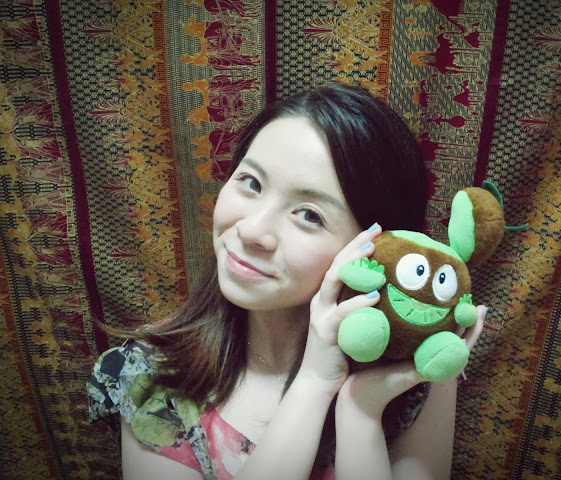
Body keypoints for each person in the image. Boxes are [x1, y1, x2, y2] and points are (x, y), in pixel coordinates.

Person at [87, 82, 485, 480]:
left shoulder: (418, 376)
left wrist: (361, 410)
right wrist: (314, 383)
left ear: (380, 249)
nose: (251, 231)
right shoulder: (148, 376)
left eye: (309, 215)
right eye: (251, 183)